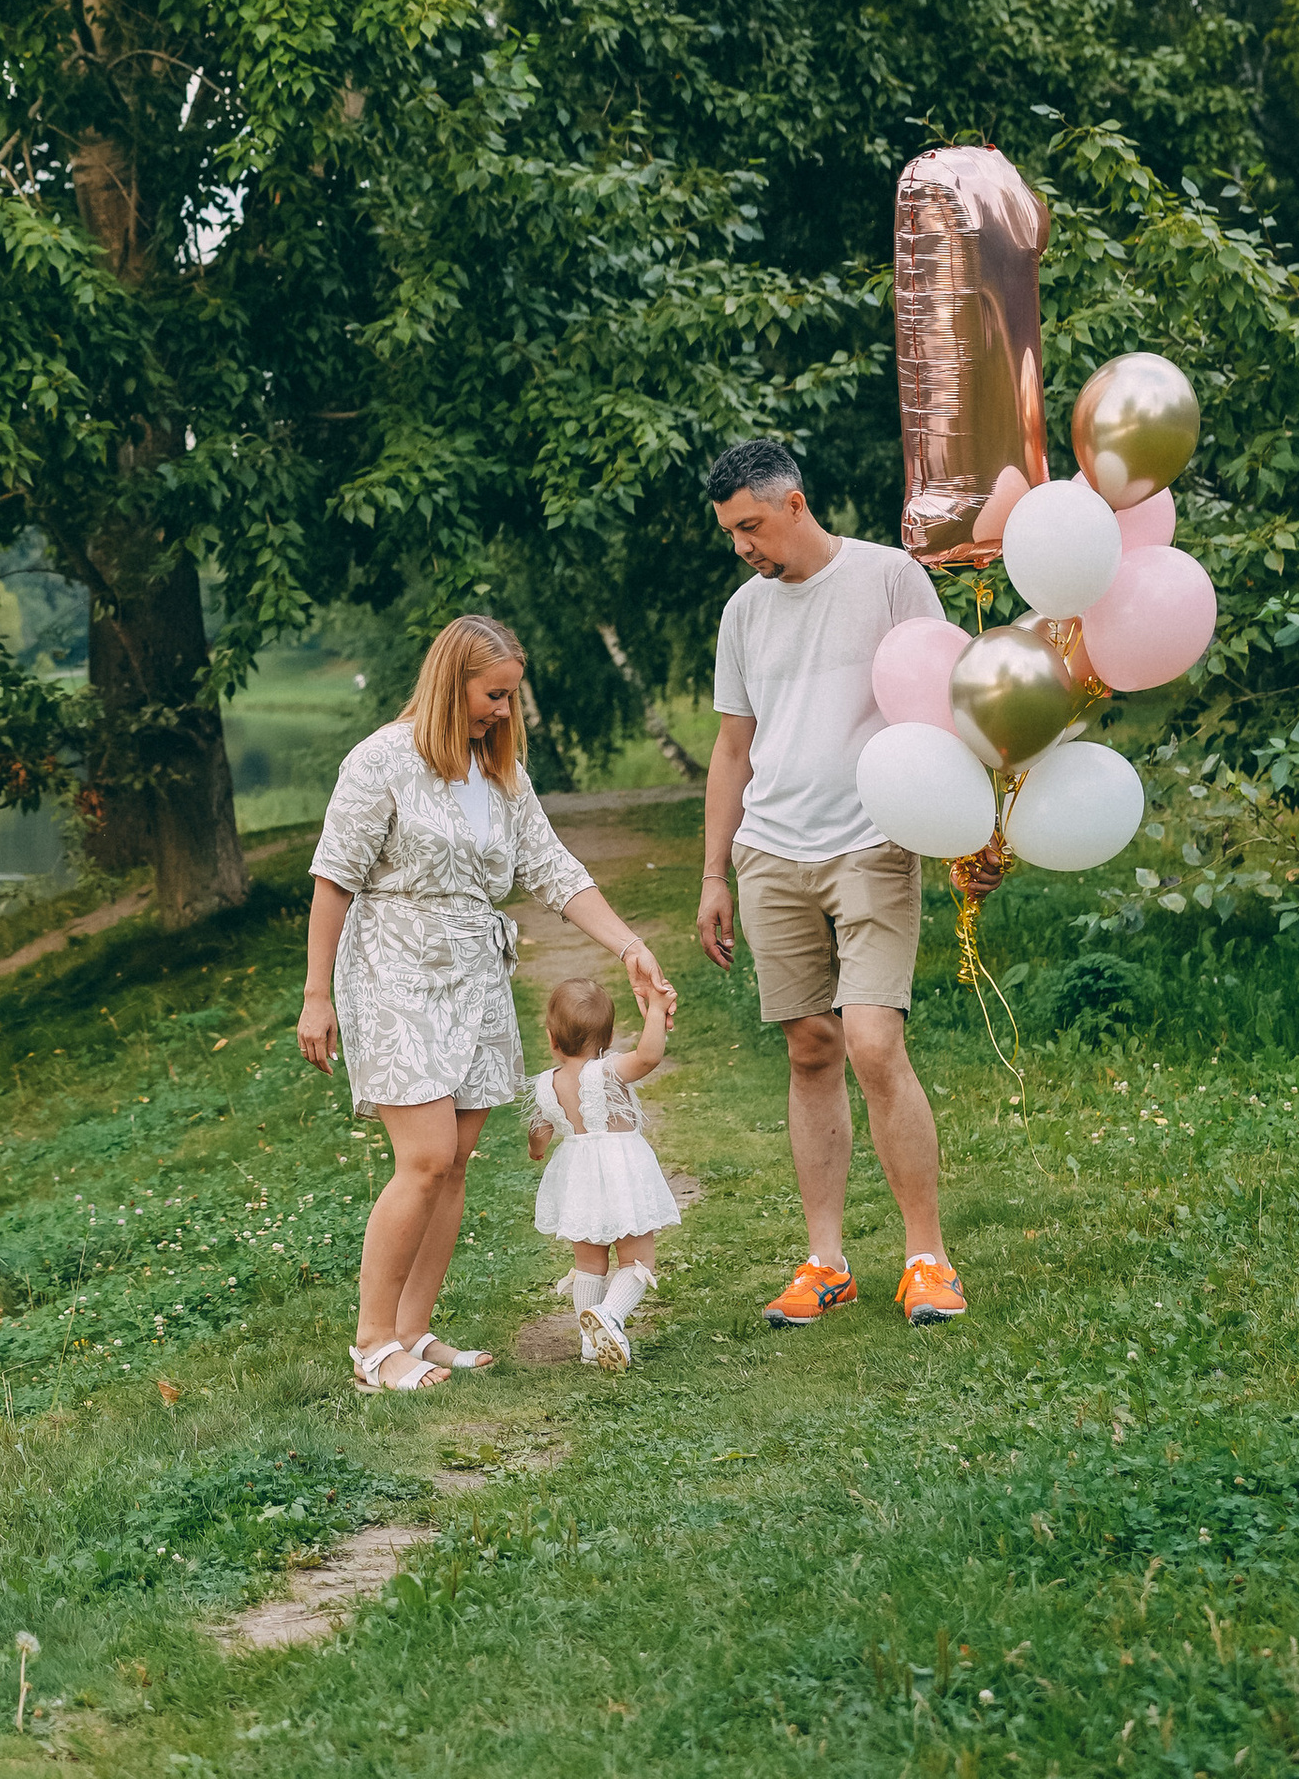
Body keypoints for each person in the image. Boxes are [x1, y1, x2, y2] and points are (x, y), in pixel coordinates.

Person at [297, 614, 671, 1393]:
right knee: (425, 1157)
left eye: (509, 697)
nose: (504, 711)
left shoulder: (499, 773)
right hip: (395, 973)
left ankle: (412, 1330)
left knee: (456, 1161)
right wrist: (315, 995)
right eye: (492, 695)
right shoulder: (380, 762)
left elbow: (554, 870)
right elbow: (333, 879)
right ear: (451, 682)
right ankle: (372, 1347)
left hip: (475, 977)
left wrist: (629, 945)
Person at [695, 435, 968, 1328]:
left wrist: (963, 820)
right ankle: (827, 1263)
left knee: (873, 1044)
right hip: (771, 852)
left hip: (872, 842)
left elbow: (944, 703)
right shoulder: (744, 613)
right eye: (731, 533)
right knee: (810, 1048)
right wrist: (714, 874)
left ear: (795, 503)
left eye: (751, 526)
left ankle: (927, 1258)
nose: (743, 546)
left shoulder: (889, 579)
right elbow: (732, 748)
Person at [523, 969, 682, 1371]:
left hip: (578, 1178)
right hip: (622, 1171)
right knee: (637, 1260)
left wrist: (537, 1151)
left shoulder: (546, 1085)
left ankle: (589, 1345)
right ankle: (609, 1315)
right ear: (609, 1038)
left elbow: (539, 1135)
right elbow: (648, 1056)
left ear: (552, 1039)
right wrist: (656, 1009)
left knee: (589, 1265)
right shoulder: (608, 1071)